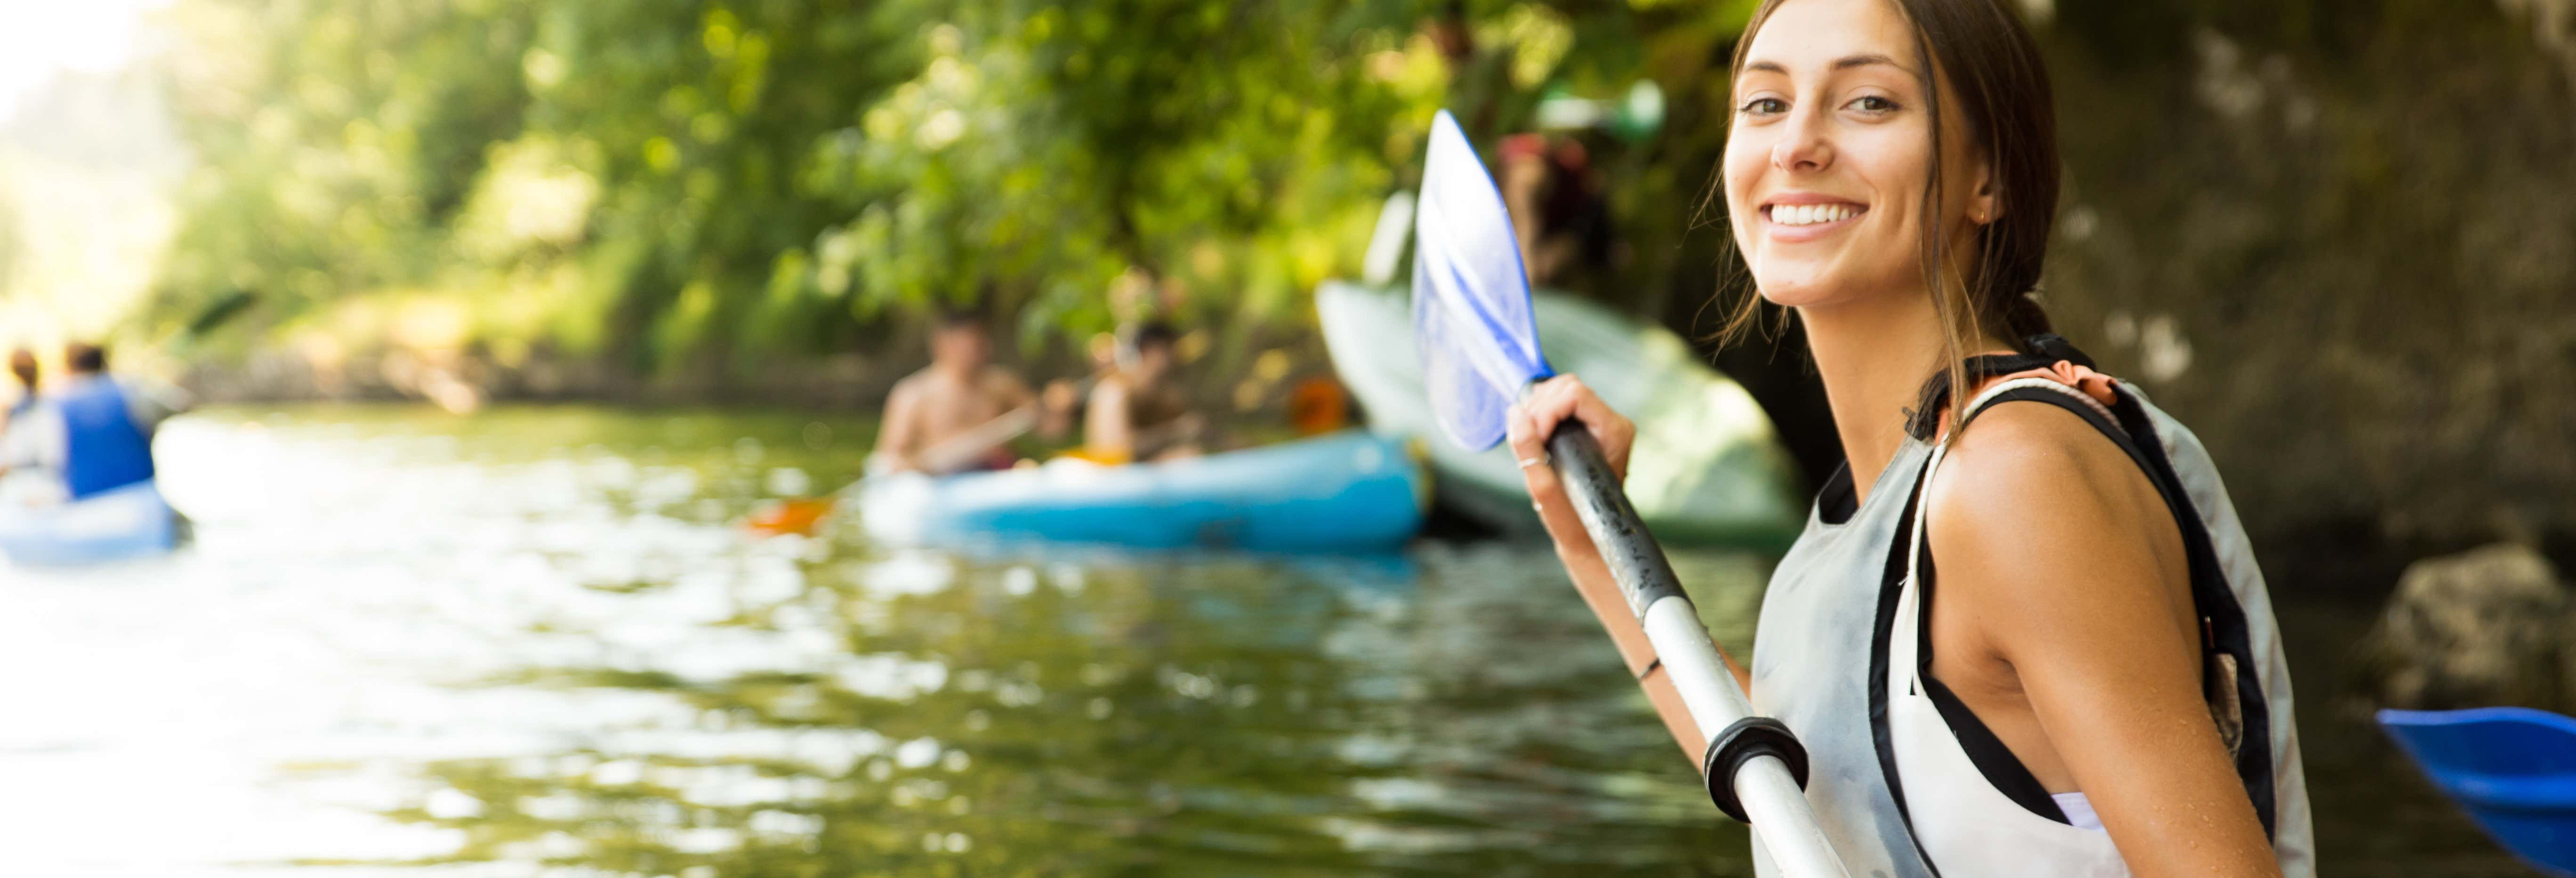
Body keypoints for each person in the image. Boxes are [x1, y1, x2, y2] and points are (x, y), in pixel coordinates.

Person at [1502, 1, 2312, 876]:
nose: (1796, 145)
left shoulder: (2011, 478)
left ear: (1988, 179)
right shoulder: (1891, 494)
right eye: (1766, 103)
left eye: (1869, 102)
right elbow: (1814, 796)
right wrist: (1594, 549)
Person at [871, 306, 1068, 475]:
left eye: (982, 340)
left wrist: (1059, 408)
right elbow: (891, 458)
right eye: (972, 341)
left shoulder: (1002, 384)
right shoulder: (913, 393)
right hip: (942, 481)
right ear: (944, 343)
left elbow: (1051, 429)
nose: (983, 348)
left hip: (996, 477)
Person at [3, 343, 191, 503]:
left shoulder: (53, 409)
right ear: (104, 363)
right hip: (145, 497)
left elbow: (38, 459)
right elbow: (181, 405)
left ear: (70, 368)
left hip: (89, 504)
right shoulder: (131, 389)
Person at [1082, 322, 1202, 464]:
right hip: (1112, 474)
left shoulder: (1167, 395)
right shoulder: (1113, 391)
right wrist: (1174, 432)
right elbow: (1111, 450)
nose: (1177, 358)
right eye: (1171, 349)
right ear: (1150, 350)